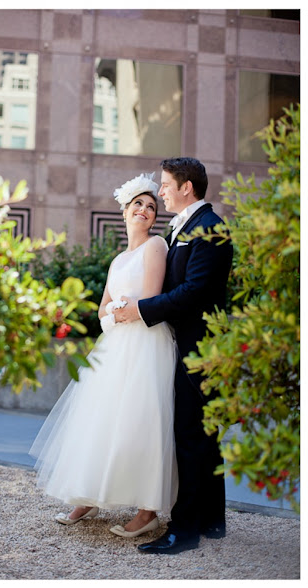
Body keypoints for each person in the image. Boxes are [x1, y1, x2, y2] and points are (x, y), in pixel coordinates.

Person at [30, 173, 178, 539]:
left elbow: (150, 298)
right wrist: (117, 312)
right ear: (125, 212)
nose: (144, 209)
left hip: (146, 344)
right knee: (100, 421)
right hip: (115, 346)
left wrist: (123, 310)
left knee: (140, 421)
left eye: (151, 206)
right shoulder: (117, 260)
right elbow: (102, 311)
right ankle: (88, 496)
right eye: (138, 204)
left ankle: (147, 510)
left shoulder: (156, 247)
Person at [114, 157, 233, 554]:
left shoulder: (209, 229)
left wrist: (142, 310)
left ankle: (184, 531)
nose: (160, 191)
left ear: (186, 187)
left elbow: (195, 292)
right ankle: (213, 520)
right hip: (184, 344)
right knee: (202, 433)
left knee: (191, 435)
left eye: (165, 185)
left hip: (199, 347)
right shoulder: (183, 226)